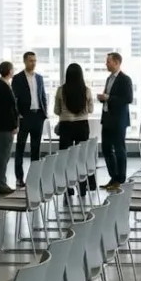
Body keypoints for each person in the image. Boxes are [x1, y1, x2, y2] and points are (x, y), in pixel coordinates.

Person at [54, 62, 96, 197]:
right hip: (82, 126)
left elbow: (56, 110)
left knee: (65, 158)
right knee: (81, 158)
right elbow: (90, 109)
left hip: (66, 126)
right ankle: (82, 188)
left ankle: (67, 188)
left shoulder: (61, 90)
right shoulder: (86, 90)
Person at [97, 52, 133, 190]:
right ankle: (113, 177)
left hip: (118, 121)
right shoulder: (109, 79)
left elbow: (128, 99)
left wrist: (108, 98)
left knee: (119, 150)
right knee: (106, 149)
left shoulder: (125, 79)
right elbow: (109, 96)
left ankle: (120, 179)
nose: (106, 64)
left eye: (108, 62)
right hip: (107, 119)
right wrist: (103, 99)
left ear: (117, 63)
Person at [11, 51, 47, 188]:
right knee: (20, 148)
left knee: (35, 148)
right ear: (25, 61)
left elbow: (43, 95)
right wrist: (18, 115)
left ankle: (34, 177)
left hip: (38, 116)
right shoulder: (18, 78)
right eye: (31, 60)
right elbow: (14, 100)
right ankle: (19, 178)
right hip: (24, 117)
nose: (33, 63)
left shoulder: (39, 78)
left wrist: (44, 113)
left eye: (35, 60)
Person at [0, 61, 20, 195]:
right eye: (12, 69)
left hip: (2, 126)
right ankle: (1, 184)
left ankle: (1, 182)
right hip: (4, 127)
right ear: (9, 71)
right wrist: (14, 125)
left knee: (3, 155)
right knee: (3, 155)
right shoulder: (2, 86)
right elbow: (8, 109)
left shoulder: (1, 85)